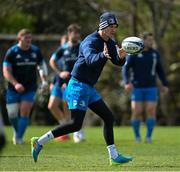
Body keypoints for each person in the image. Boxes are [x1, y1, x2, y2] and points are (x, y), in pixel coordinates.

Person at [31, 12, 133, 166]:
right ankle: (39, 141)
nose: (114, 30)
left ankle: (114, 156)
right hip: (78, 86)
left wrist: (122, 56)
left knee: (108, 117)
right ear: (103, 26)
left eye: (115, 27)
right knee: (75, 124)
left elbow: (117, 62)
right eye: (111, 26)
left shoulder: (110, 43)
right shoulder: (89, 41)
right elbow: (91, 60)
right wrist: (103, 55)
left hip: (89, 88)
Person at [3, 29, 48, 144]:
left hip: (30, 87)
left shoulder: (35, 51)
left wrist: (44, 81)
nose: (28, 40)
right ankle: (17, 131)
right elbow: (6, 71)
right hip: (13, 88)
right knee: (12, 114)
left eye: (30, 38)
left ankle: (18, 138)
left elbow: (41, 66)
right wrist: (15, 83)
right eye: (26, 38)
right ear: (19, 39)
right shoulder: (12, 52)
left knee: (25, 110)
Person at [122, 32, 169, 143]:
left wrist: (165, 84)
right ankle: (137, 137)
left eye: (152, 40)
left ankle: (148, 137)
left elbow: (160, 70)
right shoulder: (133, 53)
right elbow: (125, 68)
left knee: (151, 110)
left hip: (151, 87)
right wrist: (126, 82)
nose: (151, 42)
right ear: (142, 41)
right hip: (137, 87)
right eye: (149, 40)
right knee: (137, 111)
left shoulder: (155, 54)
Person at [48, 24, 85, 142]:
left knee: (71, 107)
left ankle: (76, 132)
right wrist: (59, 72)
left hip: (73, 81)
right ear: (69, 34)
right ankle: (64, 125)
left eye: (78, 33)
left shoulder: (81, 47)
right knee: (52, 105)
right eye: (75, 33)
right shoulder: (63, 48)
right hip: (60, 81)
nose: (77, 35)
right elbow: (52, 61)